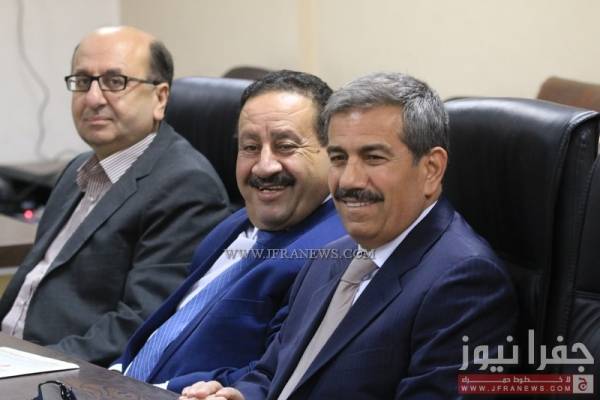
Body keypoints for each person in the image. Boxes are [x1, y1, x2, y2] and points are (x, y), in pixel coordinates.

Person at [180, 72, 518, 400]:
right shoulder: (331, 257)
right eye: (339, 158)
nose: (348, 180)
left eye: (373, 158)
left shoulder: (466, 283)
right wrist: (238, 395)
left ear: (431, 169)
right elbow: (273, 375)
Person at [0, 26, 231, 366]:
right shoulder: (78, 168)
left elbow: (139, 325)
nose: (93, 98)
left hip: (57, 372)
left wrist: (29, 364)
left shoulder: (187, 185)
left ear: (160, 98)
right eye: (83, 81)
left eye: (114, 81)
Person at [110, 70, 347, 393]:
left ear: (333, 153)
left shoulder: (336, 251)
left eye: (285, 146)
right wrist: (114, 374)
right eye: (250, 147)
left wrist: (162, 389)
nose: (264, 166)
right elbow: (170, 328)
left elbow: (276, 372)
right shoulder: (234, 225)